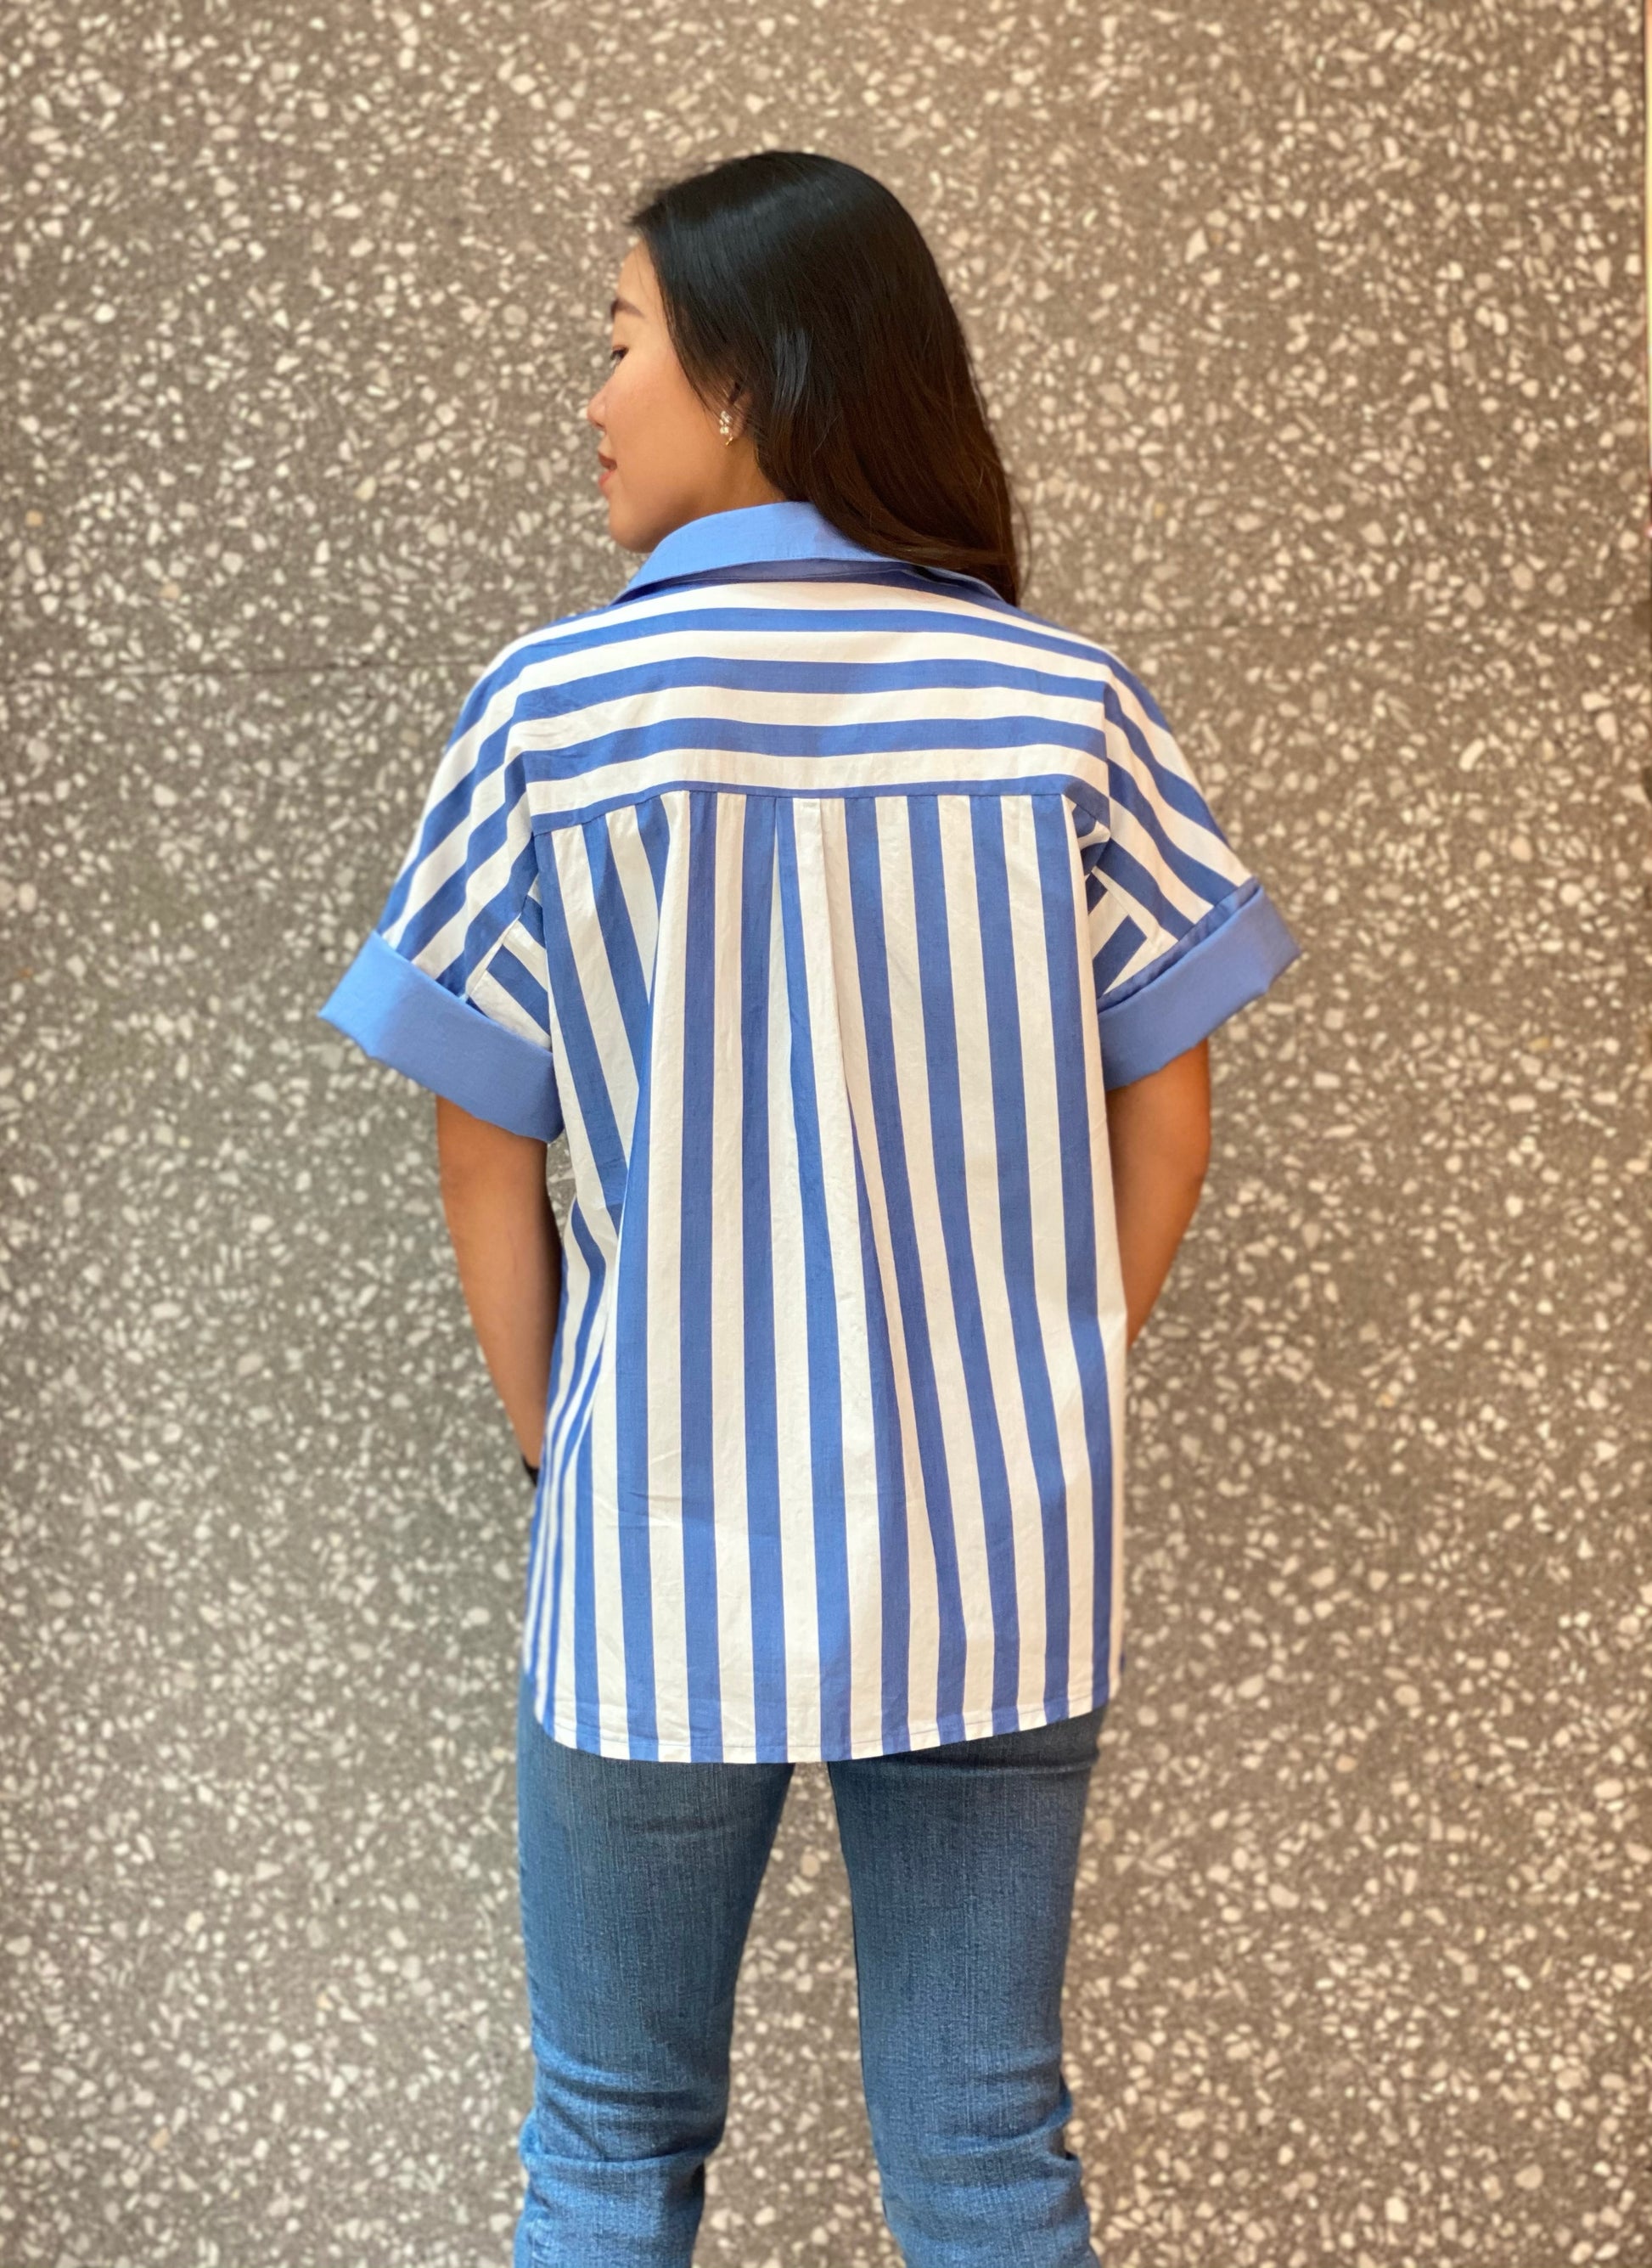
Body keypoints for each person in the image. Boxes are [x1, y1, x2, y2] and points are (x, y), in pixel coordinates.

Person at [317, 150, 1302, 2268]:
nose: (590, 400)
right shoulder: (1060, 701)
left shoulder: (551, 711)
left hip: (648, 1549)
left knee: (607, 2142)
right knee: (985, 2147)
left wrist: (561, 1442)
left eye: (617, 344)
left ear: (747, 372)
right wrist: (1049, 1381)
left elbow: (483, 1141)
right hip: (998, 1548)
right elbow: (1170, 1105)